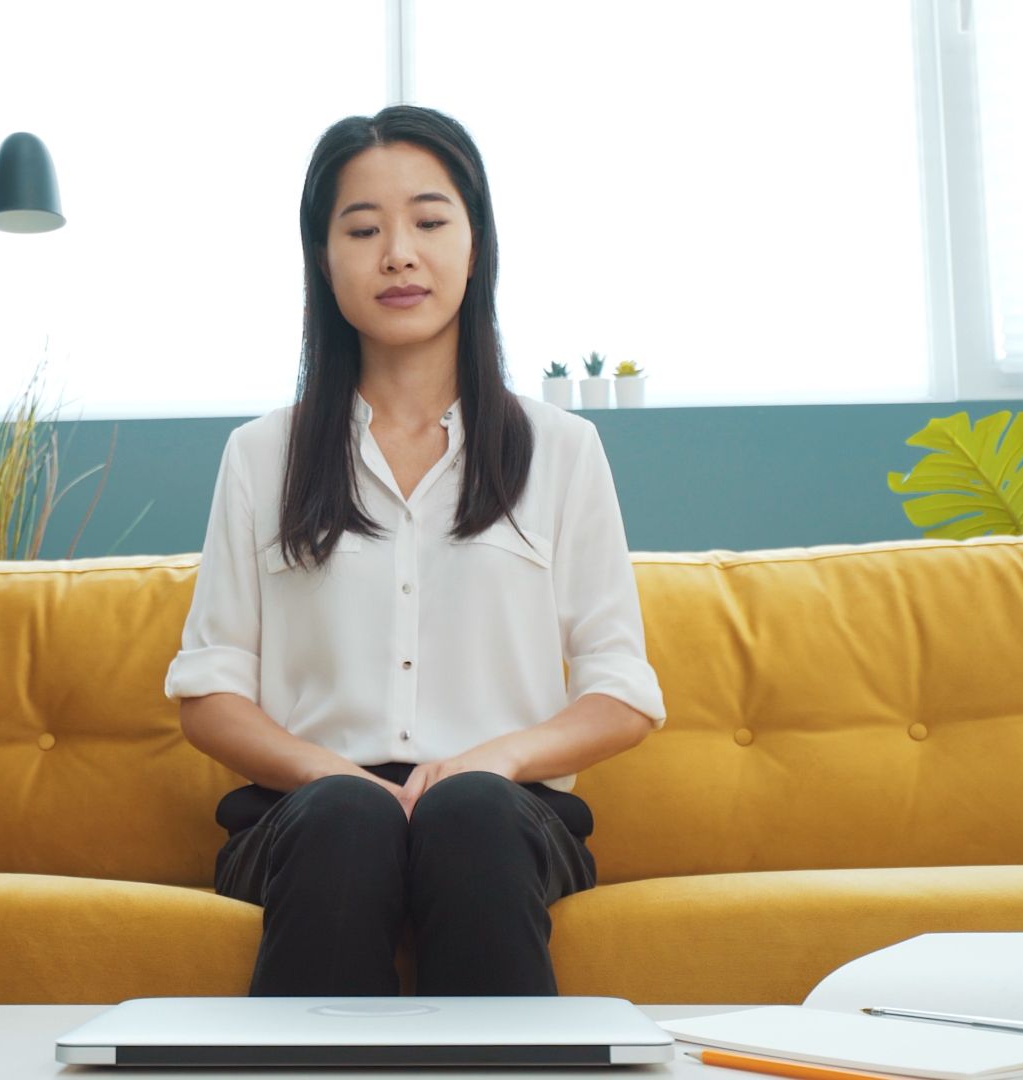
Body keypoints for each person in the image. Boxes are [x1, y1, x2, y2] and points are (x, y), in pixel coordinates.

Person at [162, 104, 665, 997]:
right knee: (348, 819)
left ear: (476, 247)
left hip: (504, 816)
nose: (398, 252)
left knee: (468, 813)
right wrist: (336, 775)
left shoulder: (562, 450)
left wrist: (491, 760)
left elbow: (623, 692)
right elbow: (209, 691)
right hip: (303, 816)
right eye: (364, 228)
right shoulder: (261, 456)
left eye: (429, 222)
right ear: (325, 257)